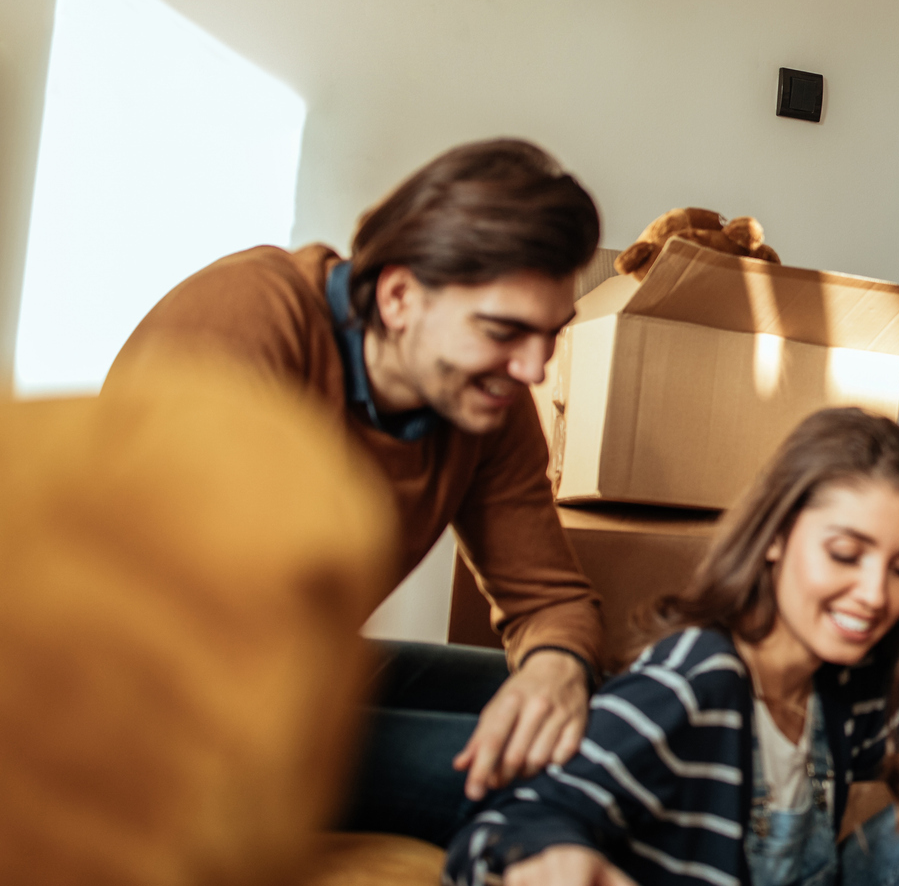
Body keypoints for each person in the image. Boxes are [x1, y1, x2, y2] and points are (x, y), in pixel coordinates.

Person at [111, 138, 607, 846]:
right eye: (504, 331)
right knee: (577, 778)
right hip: (163, 700)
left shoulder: (482, 403)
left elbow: (552, 600)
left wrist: (556, 668)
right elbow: (161, 622)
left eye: (550, 336)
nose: (533, 368)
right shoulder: (245, 319)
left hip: (299, 675)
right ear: (400, 296)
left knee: (613, 714)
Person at [443, 408, 899, 886]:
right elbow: (498, 826)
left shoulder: (854, 686)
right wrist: (549, 850)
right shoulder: (694, 678)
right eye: (845, 554)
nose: (876, 594)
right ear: (775, 537)